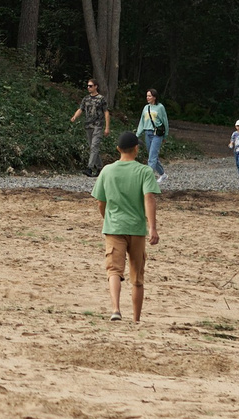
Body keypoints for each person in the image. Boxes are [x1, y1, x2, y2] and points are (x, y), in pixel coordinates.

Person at [91, 131, 160, 322]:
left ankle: (115, 309)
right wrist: (152, 227)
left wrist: (107, 218)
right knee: (137, 277)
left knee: (114, 270)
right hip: (137, 229)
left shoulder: (107, 170)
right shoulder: (144, 171)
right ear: (136, 149)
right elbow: (149, 198)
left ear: (118, 149)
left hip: (114, 227)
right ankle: (136, 319)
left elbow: (100, 201)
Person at [70, 78, 110, 172]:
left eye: (91, 86)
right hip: (88, 126)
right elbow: (81, 109)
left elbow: (106, 112)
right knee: (92, 147)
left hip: (98, 125)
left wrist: (107, 127)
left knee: (94, 146)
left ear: (96, 87)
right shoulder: (86, 99)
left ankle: (90, 167)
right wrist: (75, 117)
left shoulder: (101, 99)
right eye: (88, 86)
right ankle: (100, 168)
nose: (89, 87)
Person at [138, 88, 170, 183]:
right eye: (147, 96)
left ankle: (148, 179)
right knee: (152, 156)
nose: (147, 97)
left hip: (157, 134)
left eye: (149, 96)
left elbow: (165, 121)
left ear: (154, 97)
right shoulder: (146, 107)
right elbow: (142, 122)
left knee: (152, 157)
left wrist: (165, 135)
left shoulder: (160, 107)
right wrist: (137, 134)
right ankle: (163, 174)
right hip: (147, 133)